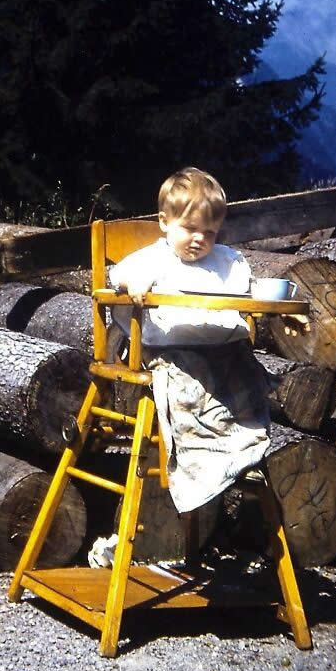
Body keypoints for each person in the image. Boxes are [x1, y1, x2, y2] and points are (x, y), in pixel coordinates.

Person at [109, 167, 277, 514]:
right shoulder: (155, 258)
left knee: (248, 383)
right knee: (188, 390)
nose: (200, 239)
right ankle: (203, 467)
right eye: (189, 229)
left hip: (223, 350)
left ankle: (241, 452)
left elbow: (252, 290)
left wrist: (284, 308)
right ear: (164, 221)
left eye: (210, 233)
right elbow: (120, 273)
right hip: (169, 351)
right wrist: (135, 285)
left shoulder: (227, 262)